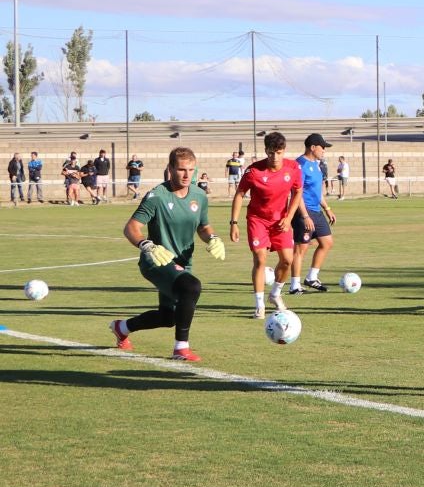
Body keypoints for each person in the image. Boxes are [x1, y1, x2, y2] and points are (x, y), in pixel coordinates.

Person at [108, 147, 225, 362]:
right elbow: (131, 228)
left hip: (182, 263)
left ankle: (122, 327)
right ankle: (181, 349)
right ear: (170, 169)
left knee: (168, 317)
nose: (187, 174)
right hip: (155, 260)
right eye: (181, 169)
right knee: (192, 287)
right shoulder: (157, 197)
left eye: (191, 169)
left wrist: (213, 238)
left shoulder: (199, 195)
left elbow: (203, 226)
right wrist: (146, 245)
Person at [231, 131, 304, 318]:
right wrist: (234, 222)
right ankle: (260, 305)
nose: (275, 157)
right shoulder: (254, 171)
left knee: (288, 260)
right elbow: (239, 194)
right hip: (258, 220)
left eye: (279, 152)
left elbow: (297, 192)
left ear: (284, 151)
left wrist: (288, 218)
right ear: (266, 151)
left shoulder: (293, 168)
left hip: (280, 221)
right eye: (271, 153)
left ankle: (275, 294)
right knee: (260, 259)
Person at [289, 133, 337, 294]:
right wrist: (305, 215)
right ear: (313, 147)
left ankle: (311, 278)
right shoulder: (300, 165)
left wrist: (327, 208)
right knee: (300, 249)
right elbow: (297, 193)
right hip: (303, 211)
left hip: (316, 211)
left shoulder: (315, 164)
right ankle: (294, 285)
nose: (324, 150)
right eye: (322, 147)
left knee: (327, 242)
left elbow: (317, 191)